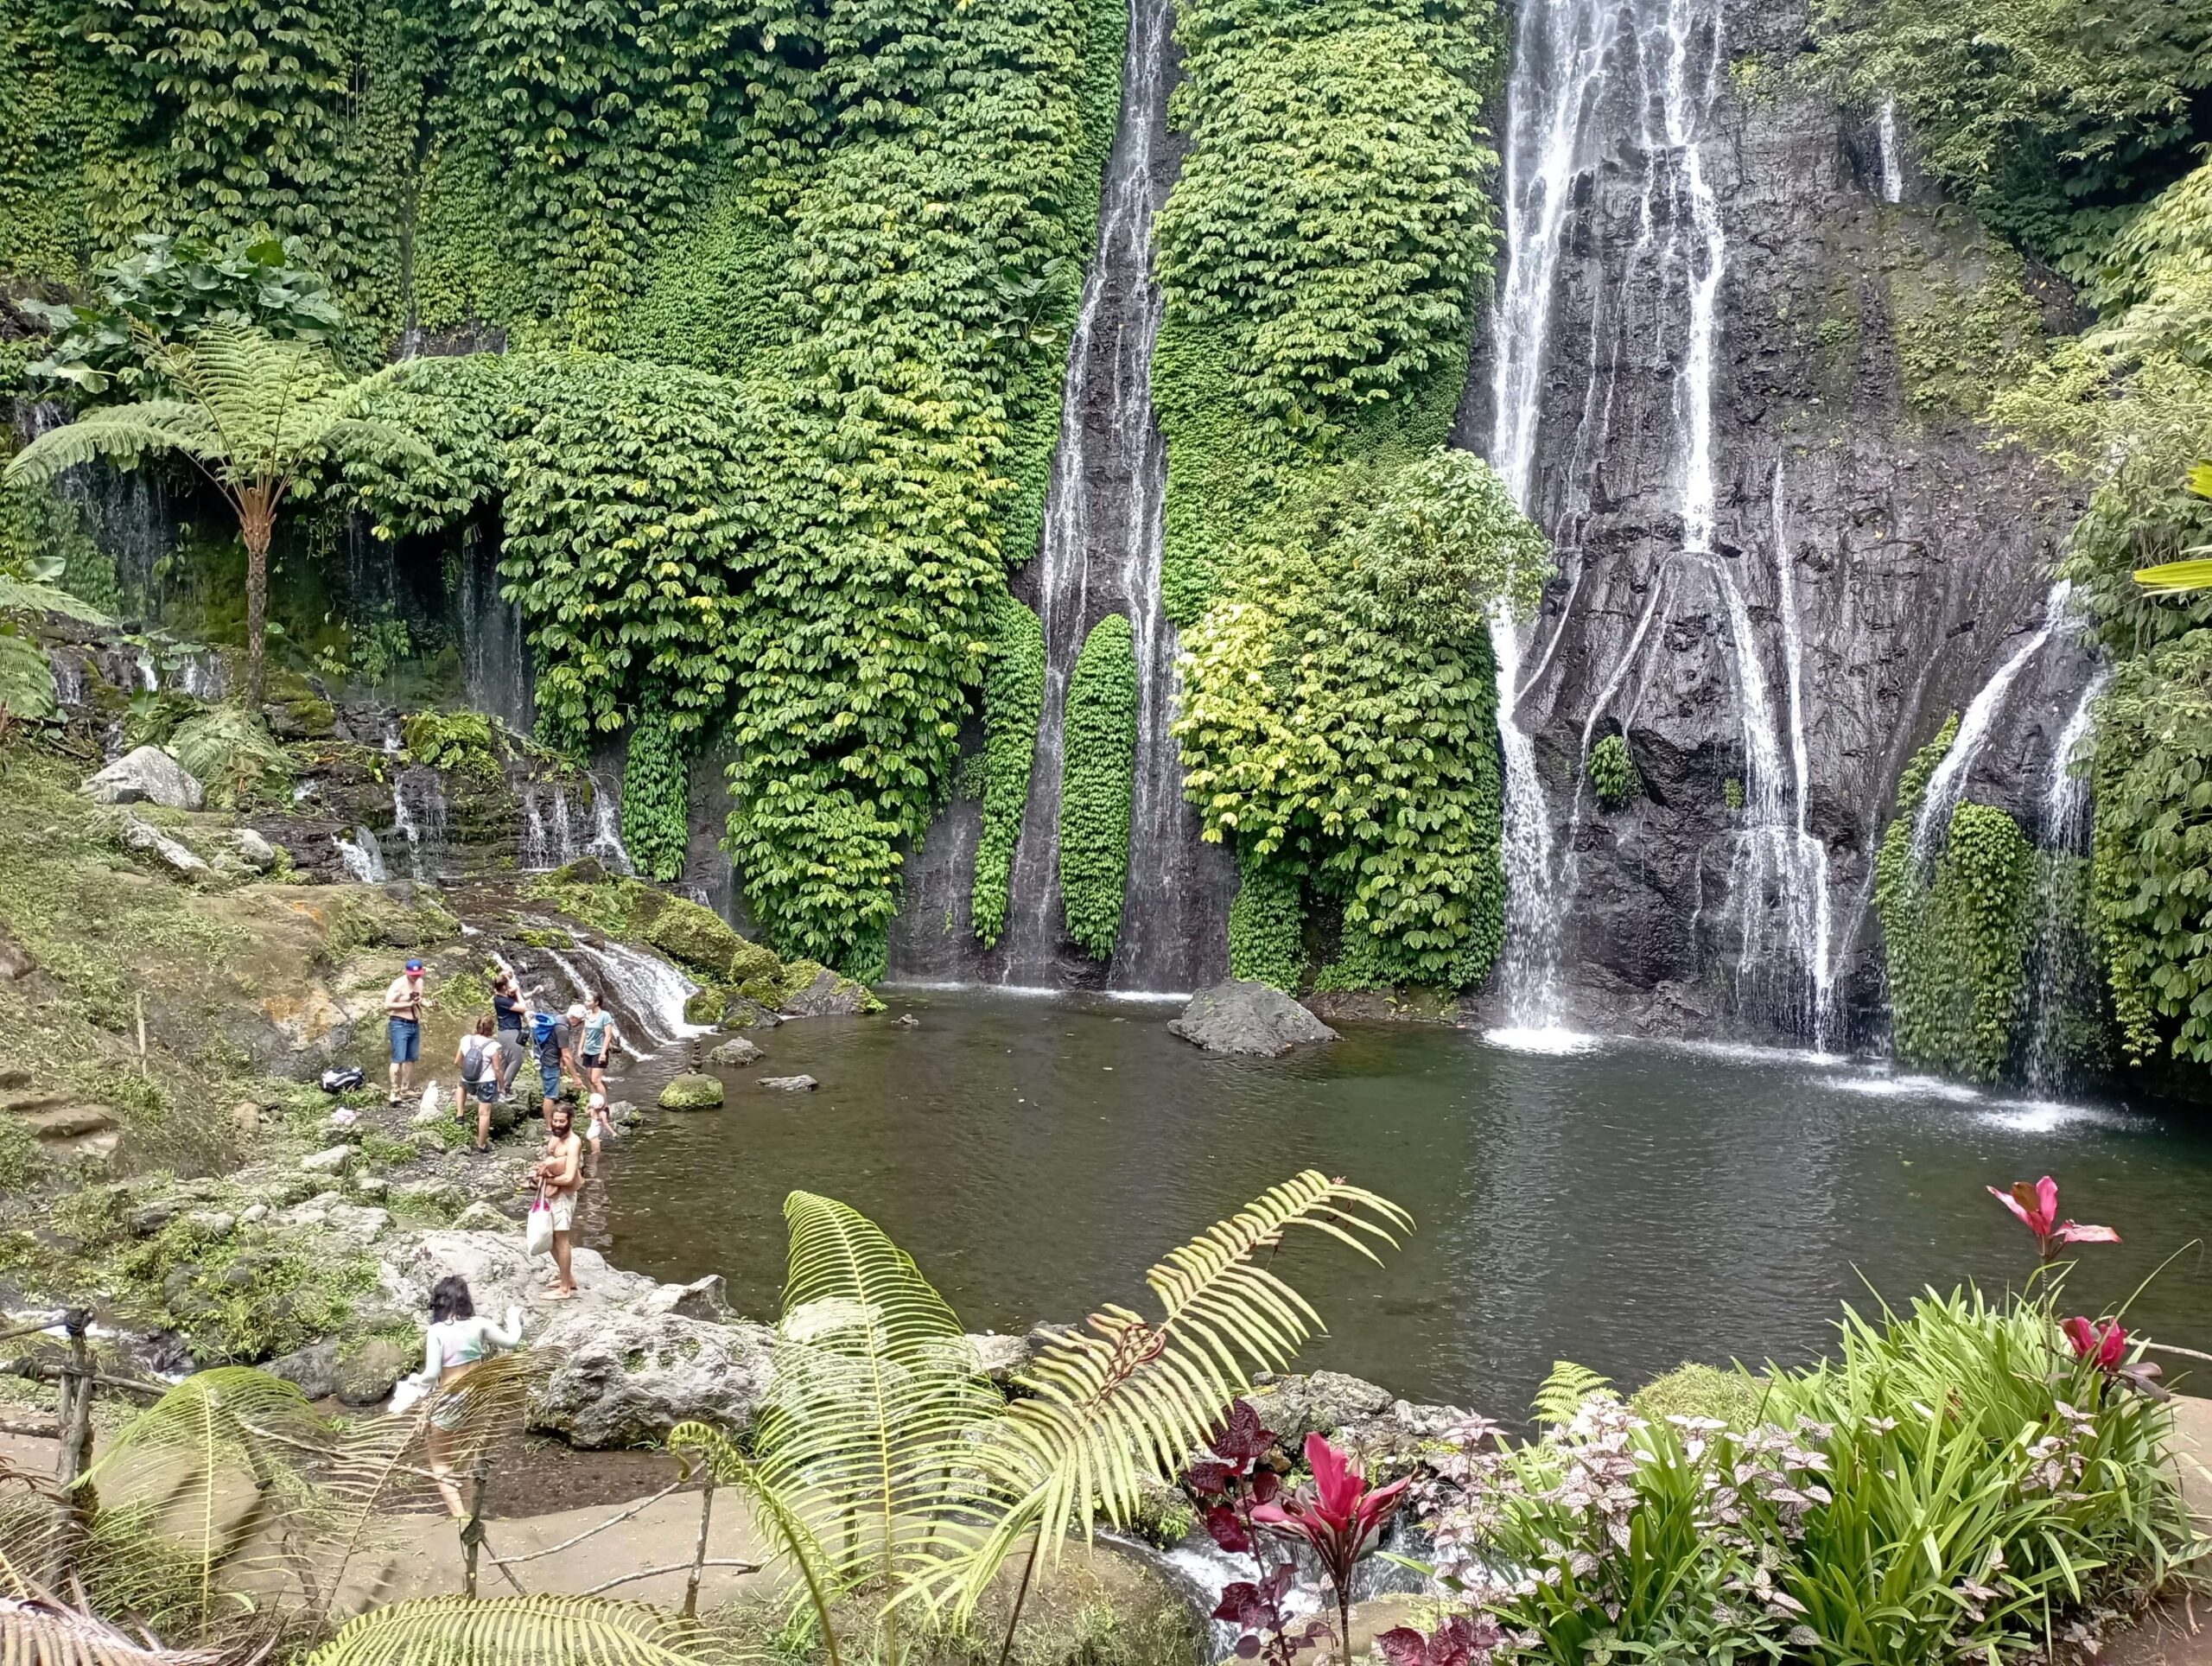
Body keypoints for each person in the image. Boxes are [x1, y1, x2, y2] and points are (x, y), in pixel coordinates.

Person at [414, 1274, 521, 1517]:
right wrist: (513, 1318)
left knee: (441, 1463)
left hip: (450, 1400)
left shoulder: (437, 1331)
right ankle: (471, 1513)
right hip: (477, 1399)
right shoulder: (479, 1324)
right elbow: (512, 1341)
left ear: (439, 1303)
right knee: (469, 1458)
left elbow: (431, 1374)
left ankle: (459, 1517)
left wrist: (414, 1382)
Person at [529, 1103, 584, 1300]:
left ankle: (564, 1290)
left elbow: (569, 1177)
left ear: (570, 1121)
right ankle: (567, 1278)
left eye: (562, 1121)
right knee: (551, 1238)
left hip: (564, 1196)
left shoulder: (573, 1142)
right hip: (552, 1193)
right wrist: (538, 1176)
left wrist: (545, 1180)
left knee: (561, 1240)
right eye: (555, 1121)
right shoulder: (554, 1138)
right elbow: (550, 1164)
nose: (558, 1125)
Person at [454, 1015, 501, 1154]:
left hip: (468, 1079)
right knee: (484, 1113)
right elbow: (497, 1069)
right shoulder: (494, 1046)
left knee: (461, 1086)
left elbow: (457, 1061)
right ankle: (481, 1145)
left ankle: (460, 1114)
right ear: (492, 1029)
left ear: (477, 1026)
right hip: (486, 1082)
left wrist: (468, 1072)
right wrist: (502, 1086)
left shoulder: (466, 1039)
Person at [384, 957, 428, 1105]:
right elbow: (387, 1005)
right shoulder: (398, 984)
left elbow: (419, 999)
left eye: (418, 974)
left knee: (411, 1058)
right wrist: (407, 1004)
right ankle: (394, 1092)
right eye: (412, 975)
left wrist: (426, 1003)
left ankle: (405, 1089)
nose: (415, 977)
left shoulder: (420, 983)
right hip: (399, 1023)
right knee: (398, 1058)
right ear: (405, 972)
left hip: (414, 1023)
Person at [530, 1001, 576, 1124]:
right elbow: (566, 1055)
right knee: (550, 1095)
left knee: (549, 1093)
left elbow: (554, 1043)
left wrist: (561, 1062)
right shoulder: (562, 1028)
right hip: (550, 1062)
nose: (580, 1024)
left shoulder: (557, 1019)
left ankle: (550, 1123)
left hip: (544, 1058)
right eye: (580, 1021)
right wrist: (576, 1078)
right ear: (573, 1018)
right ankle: (549, 1126)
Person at [577, 992, 623, 1099]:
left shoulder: (605, 1016)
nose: (586, 1002)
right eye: (586, 1000)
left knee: (596, 1080)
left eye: (589, 1001)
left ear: (596, 1002)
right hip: (588, 1051)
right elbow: (585, 1031)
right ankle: (595, 1102)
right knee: (590, 1079)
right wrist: (580, 1048)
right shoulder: (587, 1014)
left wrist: (603, 1053)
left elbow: (608, 1035)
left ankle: (604, 1105)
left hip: (599, 1051)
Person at [491, 971, 525, 1098]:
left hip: (506, 1032)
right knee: (517, 1060)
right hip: (509, 1032)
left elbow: (503, 977)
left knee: (505, 1062)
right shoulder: (501, 1000)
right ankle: (505, 1088)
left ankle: (499, 1089)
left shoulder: (502, 996)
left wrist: (508, 977)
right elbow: (523, 1008)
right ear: (505, 987)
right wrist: (517, 991)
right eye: (508, 983)